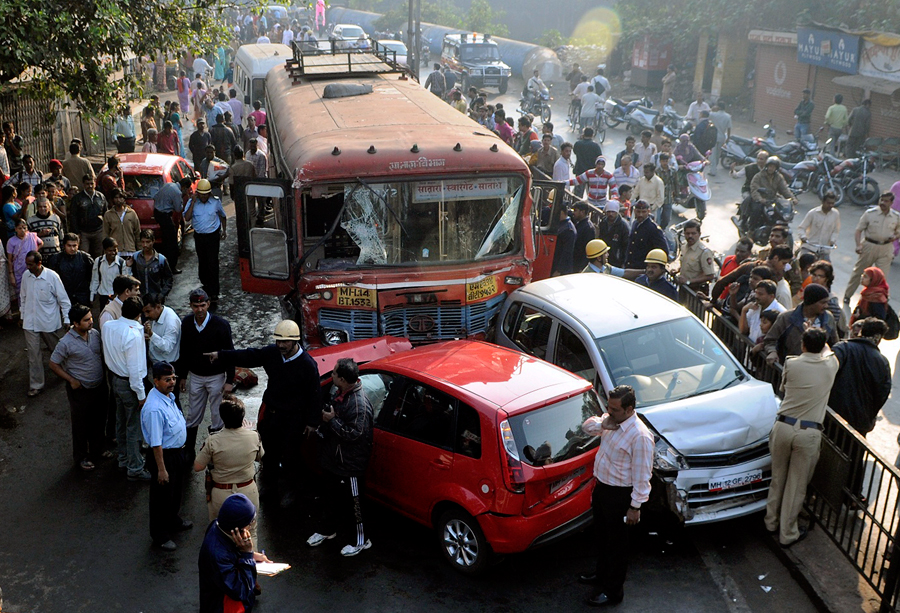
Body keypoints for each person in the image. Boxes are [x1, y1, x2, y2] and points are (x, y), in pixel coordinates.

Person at [205, 319, 319, 502]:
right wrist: (221, 355)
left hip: (293, 419)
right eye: (278, 341)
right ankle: (270, 486)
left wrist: (312, 422)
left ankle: (290, 489)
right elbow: (248, 356)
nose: (281, 345)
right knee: (269, 453)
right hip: (272, 415)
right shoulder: (272, 353)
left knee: (290, 455)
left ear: (295, 341)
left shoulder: (308, 365)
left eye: (285, 342)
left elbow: (315, 395)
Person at [579, 385, 653, 606]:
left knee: (616, 546)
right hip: (603, 489)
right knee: (602, 538)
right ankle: (601, 576)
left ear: (629, 409)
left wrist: (635, 507)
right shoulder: (612, 421)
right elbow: (587, 427)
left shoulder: (639, 436)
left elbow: (642, 476)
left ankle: (613, 592)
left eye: (614, 409)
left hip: (620, 496)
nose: (609, 412)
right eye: (608, 408)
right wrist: (605, 422)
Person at [764, 327, 838, 548]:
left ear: (803, 344)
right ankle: (788, 533)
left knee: (777, 477)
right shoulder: (830, 365)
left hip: (784, 425)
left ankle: (770, 522)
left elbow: (783, 387)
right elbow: (829, 350)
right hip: (809, 432)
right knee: (796, 485)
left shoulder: (792, 363)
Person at [307, 358, 375, 557]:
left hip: (350, 465)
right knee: (331, 497)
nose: (332, 375)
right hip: (334, 460)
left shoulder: (359, 405)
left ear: (343, 379)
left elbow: (354, 434)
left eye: (334, 373)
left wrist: (332, 420)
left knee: (355, 505)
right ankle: (328, 530)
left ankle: (361, 540)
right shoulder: (342, 393)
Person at [194, 396, 264, 548]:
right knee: (250, 533)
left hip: (221, 492)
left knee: (219, 533)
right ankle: (250, 567)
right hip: (247, 490)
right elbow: (260, 457)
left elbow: (198, 466)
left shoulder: (213, 440)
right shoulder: (253, 436)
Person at [177, 288, 235, 461]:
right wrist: (182, 375)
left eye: (203, 305)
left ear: (208, 304)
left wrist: (229, 380)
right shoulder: (187, 323)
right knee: (193, 413)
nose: (200, 309)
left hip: (216, 376)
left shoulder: (221, 325)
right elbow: (184, 350)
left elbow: (229, 353)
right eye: (196, 306)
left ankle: (216, 451)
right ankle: (189, 450)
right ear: (191, 306)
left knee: (217, 415)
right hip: (195, 376)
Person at [141, 361, 191, 551]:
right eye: (167, 379)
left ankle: (173, 521)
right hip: (164, 457)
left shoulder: (168, 396)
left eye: (173, 378)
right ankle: (160, 535)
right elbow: (156, 443)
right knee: (161, 498)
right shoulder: (154, 408)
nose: (172, 382)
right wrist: (162, 469)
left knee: (175, 492)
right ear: (156, 381)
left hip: (176, 454)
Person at [49, 304, 106, 470]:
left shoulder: (94, 335)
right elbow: (53, 363)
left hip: (99, 386)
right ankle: (81, 457)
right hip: (80, 391)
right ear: (75, 322)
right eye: (86, 320)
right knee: (81, 425)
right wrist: (71, 380)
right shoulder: (65, 343)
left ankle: (98, 449)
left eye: (91, 318)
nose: (90, 322)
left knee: (99, 420)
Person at [102, 296, 150, 480]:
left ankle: (123, 458)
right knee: (133, 426)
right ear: (138, 315)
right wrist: (141, 395)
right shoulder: (133, 334)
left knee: (120, 421)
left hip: (115, 379)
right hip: (129, 383)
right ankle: (135, 467)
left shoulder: (108, 327)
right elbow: (135, 369)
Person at [198, 493, 269, 613]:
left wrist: (252, 555)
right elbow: (240, 591)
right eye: (250, 522)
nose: (251, 526)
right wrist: (247, 555)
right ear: (237, 529)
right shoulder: (218, 555)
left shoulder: (218, 526)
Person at [20, 250, 70, 397]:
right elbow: (22, 297)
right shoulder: (25, 276)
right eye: (26, 264)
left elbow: (64, 300)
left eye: (30, 264)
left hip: (48, 322)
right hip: (30, 322)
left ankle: (65, 373)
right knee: (33, 355)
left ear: (39, 263)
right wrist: (22, 316)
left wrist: (66, 319)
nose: (27, 267)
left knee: (56, 350)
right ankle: (36, 385)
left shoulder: (52, 277)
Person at [844, 193, 900, 303]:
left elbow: (898, 231)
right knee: (859, 272)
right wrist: (858, 245)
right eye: (882, 200)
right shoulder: (870, 214)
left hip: (886, 247)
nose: (883, 203)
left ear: (891, 203)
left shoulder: (896, 216)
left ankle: (880, 298)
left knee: (882, 276)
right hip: (869, 245)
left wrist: (895, 236)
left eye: (886, 201)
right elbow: (858, 230)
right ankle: (848, 295)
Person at [764, 283, 838, 365]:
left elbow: (834, 344)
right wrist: (772, 352)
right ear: (811, 302)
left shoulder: (829, 318)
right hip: (789, 369)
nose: (826, 306)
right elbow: (770, 340)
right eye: (822, 303)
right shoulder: (786, 318)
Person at [184, 180, 227, 307]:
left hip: (213, 236)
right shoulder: (193, 202)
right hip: (199, 237)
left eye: (205, 194)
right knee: (203, 262)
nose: (203, 197)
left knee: (213, 263)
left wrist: (224, 231)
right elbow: (187, 218)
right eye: (201, 194)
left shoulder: (215, 202)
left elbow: (223, 216)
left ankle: (214, 292)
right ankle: (206, 284)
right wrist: (192, 201)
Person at [153, 177, 192, 275]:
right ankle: (171, 267)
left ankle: (165, 265)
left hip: (157, 212)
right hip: (165, 216)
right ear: (184, 187)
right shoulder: (177, 192)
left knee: (166, 242)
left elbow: (156, 196)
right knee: (172, 244)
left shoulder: (168, 185)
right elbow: (179, 208)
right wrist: (183, 197)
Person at [748, 157, 797, 227]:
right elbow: (754, 189)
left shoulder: (779, 177)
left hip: (773, 199)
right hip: (760, 200)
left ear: (776, 168)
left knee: (781, 212)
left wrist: (792, 198)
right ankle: (751, 230)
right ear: (767, 166)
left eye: (773, 167)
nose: (771, 168)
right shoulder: (758, 176)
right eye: (770, 166)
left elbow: (784, 189)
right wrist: (760, 199)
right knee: (756, 211)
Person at [47, 233, 92, 306]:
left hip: (82, 296)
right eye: (69, 246)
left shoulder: (85, 258)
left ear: (78, 245)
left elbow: (92, 277)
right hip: (63, 296)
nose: (72, 249)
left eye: (74, 246)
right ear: (64, 245)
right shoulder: (56, 259)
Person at [125, 230, 173, 298]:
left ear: (153, 241)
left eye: (148, 242)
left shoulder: (161, 259)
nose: (145, 245)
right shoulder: (135, 257)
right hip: (139, 297)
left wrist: (162, 295)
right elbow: (129, 276)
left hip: (155, 299)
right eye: (143, 242)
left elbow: (169, 279)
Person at [70, 175, 107, 257]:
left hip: (98, 231)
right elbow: (73, 216)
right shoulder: (77, 198)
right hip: (83, 232)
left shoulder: (101, 197)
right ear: (83, 184)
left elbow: (106, 213)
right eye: (87, 184)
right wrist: (76, 232)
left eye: (92, 183)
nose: (90, 186)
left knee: (99, 255)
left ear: (95, 184)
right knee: (84, 255)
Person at [624, 200, 667, 270]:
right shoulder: (635, 224)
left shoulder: (654, 229)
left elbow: (663, 252)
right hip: (631, 266)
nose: (640, 215)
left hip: (643, 269)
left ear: (648, 211)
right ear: (634, 211)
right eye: (638, 212)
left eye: (644, 212)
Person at [798, 192, 840, 261]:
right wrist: (803, 237)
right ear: (823, 202)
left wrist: (832, 241)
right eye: (828, 203)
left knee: (827, 269)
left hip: (824, 250)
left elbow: (835, 231)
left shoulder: (835, 214)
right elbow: (801, 228)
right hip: (809, 247)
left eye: (832, 203)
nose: (830, 205)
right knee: (803, 264)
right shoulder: (813, 213)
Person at [676, 220, 716, 291]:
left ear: (699, 234)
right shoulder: (684, 247)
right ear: (684, 234)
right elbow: (686, 264)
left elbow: (710, 276)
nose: (690, 236)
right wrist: (677, 270)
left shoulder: (704, 252)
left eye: (693, 233)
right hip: (683, 288)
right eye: (687, 233)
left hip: (696, 291)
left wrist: (688, 281)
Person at [596, 200, 629, 268]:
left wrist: (623, 261)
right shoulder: (603, 223)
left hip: (617, 260)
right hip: (604, 258)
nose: (611, 214)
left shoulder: (623, 226)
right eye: (609, 212)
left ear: (617, 212)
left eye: (613, 212)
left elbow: (626, 245)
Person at [569, 201, 596, 273]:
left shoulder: (588, 228)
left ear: (582, 212)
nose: (573, 213)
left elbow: (587, 250)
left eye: (576, 211)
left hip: (579, 265)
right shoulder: (579, 224)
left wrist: (582, 268)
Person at [707, 101, 732, 176]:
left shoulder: (714, 115)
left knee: (713, 154)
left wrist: (712, 109)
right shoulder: (728, 116)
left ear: (718, 107)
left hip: (714, 136)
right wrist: (728, 137)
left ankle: (713, 170)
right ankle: (715, 167)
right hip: (722, 137)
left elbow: (707, 114)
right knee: (718, 154)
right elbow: (729, 128)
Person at [655, 152, 678, 229]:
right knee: (657, 219)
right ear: (660, 161)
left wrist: (677, 195)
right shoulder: (656, 172)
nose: (665, 163)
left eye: (666, 161)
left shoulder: (673, 171)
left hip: (668, 198)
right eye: (663, 161)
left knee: (667, 218)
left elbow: (676, 183)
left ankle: (662, 229)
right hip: (658, 198)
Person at [550, 206, 576, 277]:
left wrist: (559, 270)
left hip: (562, 270)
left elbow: (567, 252)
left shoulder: (568, 230)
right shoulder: (561, 224)